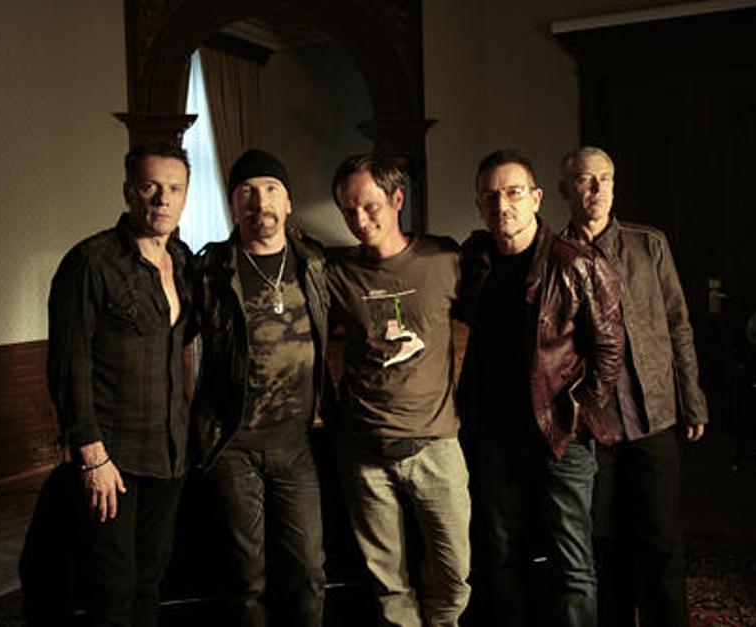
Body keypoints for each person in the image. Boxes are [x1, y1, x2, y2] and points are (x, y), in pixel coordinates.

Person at [457, 149, 625, 626]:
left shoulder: (577, 263)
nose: (502, 205)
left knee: (572, 565)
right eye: (491, 196)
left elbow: (609, 349)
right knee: (502, 559)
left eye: (513, 193)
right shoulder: (476, 264)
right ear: (479, 205)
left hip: (559, 437)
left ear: (536, 198)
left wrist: (577, 414)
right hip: (495, 439)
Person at [560, 146, 709, 627]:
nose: (597, 189)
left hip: (653, 418)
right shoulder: (555, 255)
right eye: (585, 180)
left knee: (663, 544)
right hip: (592, 428)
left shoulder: (649, 244)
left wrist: (692, 399)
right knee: (606, 548)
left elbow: (678, 323)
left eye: (605, 178)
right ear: (564, 190)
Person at [47, 143, 194, 626]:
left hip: (169, 452)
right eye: (150, 187)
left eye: (174, 188)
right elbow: (68, 365)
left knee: (151, 580)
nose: (163, 199)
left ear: (185, 196)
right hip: (113, 457)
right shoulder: (90, 262)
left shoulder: (182, 260)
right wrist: (92, 456)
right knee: (112, 587)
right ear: (129, 191)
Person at [326, 153, 471, 627]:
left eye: (369, 206)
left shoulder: (444, 259)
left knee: (454, 575)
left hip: (437, 445)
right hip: (364, 450)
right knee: (389, 584)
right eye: (348, 210)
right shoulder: (336, 274)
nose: (359, 220)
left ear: (397, 199)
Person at [191, 149, 327, 627]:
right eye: (246, 191)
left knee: (308, 571)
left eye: (271, 190)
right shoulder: (209, 270)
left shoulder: (314, 264)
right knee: (246, 580)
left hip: (298, 446)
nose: (259, 201)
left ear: (288, 203)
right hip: (232, 445)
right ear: (232, 205)